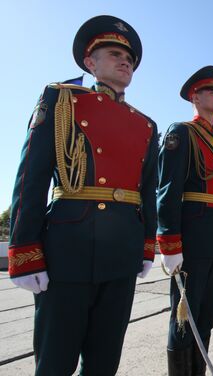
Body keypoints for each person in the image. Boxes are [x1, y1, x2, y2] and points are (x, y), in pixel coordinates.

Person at [8, 15, 157, 375]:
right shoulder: (62, 100)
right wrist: (24, 250)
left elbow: (147, 191)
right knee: (56, 360)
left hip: (122, 249)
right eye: (114, 53)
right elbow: (31, 176)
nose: (125, 62)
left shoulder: (145, 124)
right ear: (90, 63)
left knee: (105, 360)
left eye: (130, 59)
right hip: (68, 248)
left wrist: (147, 244)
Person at [157, 66, 213, 374]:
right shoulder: (182, 132)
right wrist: (169, 242)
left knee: (206, 315)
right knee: (183, 317)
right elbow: (167, 191)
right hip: (191, 238)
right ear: (195, 96)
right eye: (212, 92)